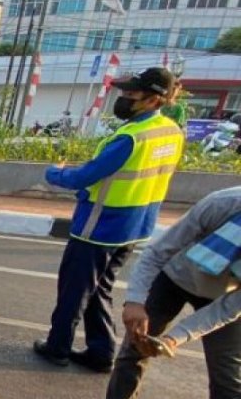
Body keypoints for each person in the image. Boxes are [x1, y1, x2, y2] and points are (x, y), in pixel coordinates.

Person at [84, 186, 241, 399]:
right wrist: (136, 301)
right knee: (134, 347)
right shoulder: (222, 204)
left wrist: (175, 338)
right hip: (174, 276)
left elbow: (229, 309)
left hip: (226, 297)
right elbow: (157, 252)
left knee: (230, 379)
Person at [34, 67, 185, 373]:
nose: (124, 99)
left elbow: (86, 176)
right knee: (101, 288)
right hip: (134, 227)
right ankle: (101, 352)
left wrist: (54, 172)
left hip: (99, 227)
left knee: (74, 291)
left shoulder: (132, 137)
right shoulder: (171, 132)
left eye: (131, 95)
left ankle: (57, 348)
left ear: (154, 99)